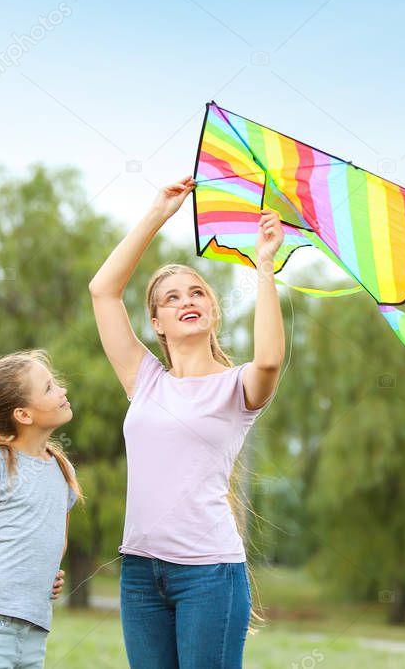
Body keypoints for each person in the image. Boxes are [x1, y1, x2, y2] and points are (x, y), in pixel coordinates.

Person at [88, 175, 285, 667]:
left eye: (196, 293)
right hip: (139, 572)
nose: (186, 301)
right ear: (156, 323)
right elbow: (103, 291)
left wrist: (264, 265)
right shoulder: (145, 380)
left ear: (213, 312)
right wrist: (158, 212)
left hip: (209, 574)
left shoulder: (237, 387)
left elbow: (269, 360)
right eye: (171, 298)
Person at [0, 349, 83, 669]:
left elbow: (55, 537)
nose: (62, 391)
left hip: (36, 627)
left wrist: (46, 572)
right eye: (49, 388)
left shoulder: (63, 470)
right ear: (23, 415)